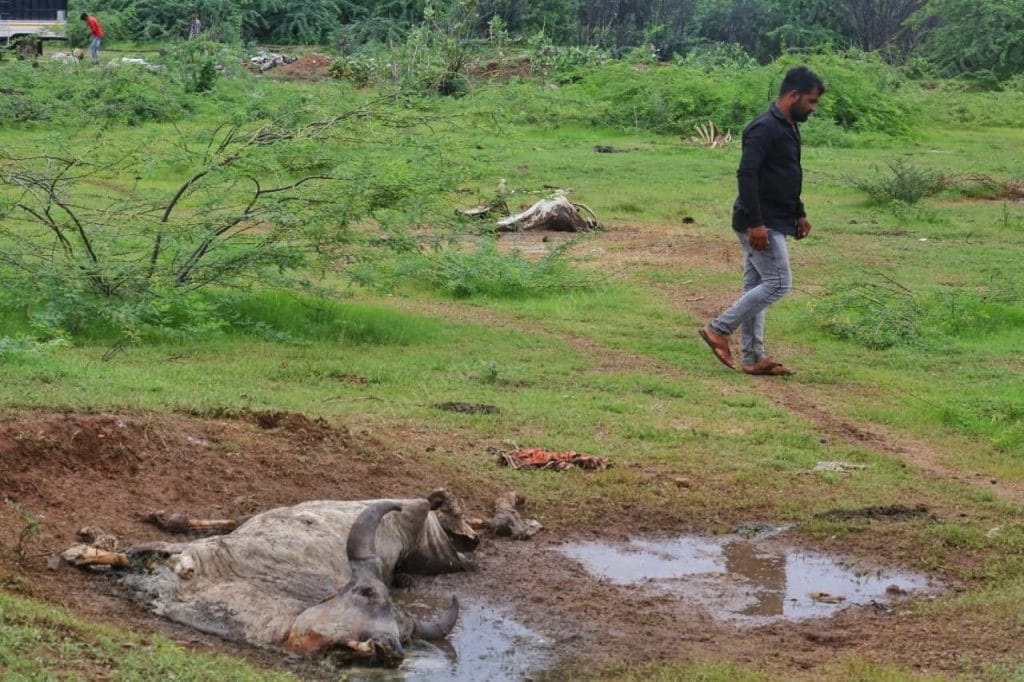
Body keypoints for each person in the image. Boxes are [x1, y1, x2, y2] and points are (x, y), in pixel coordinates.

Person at [698, 66, 825, 376]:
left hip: (777, 217)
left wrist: (799, 211)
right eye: (810, 101)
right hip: (759, 220)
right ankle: (719, 329)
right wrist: (755, 223)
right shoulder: (764, 127)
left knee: (757, 285)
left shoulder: (788, 125)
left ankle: (754, 357)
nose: (812, 108)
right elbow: (747, 174)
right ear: (793, 95)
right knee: (779, 283)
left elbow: (785, 173)